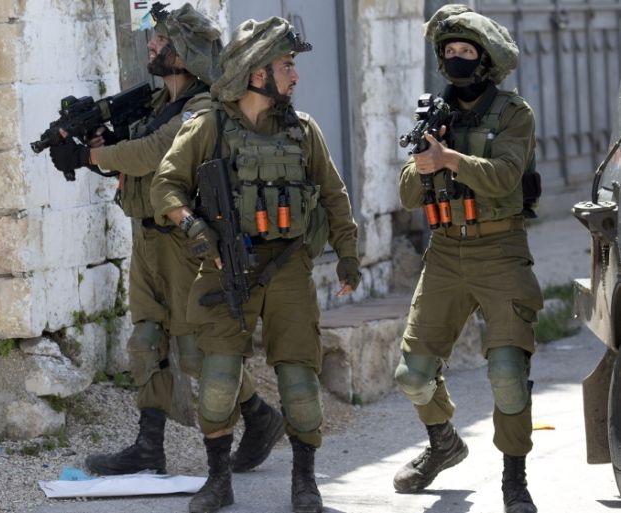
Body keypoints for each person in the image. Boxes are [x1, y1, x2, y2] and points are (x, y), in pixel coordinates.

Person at [48, 2, 283, 477]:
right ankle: (148, 446)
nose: (152, 46)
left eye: (163, 40)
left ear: (187, 52)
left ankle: (259, 416)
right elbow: (131, 158)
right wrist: (98, 145)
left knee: (197, 349)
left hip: (188, 242)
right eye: (154, 38)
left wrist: (91, 158)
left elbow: (152, 153)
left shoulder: (203, 108)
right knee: (146, 340)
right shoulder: (157, 105)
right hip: (148, 238)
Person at [151, 17, 361, 513]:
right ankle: (218, 480)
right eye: (287, 66)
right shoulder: (209, 127)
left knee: (300, 383)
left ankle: (305, 482)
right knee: (218, 381)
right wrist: (194, 228)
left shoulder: (302, 130)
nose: (295, 75)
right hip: (225, 264)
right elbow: (166, 186)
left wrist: (348, 256)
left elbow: (334, 196)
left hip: (288, 266)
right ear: (257, 73)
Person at [393, 5, 543, 513]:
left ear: (485, 59)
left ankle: (514, 479)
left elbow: (504, 177)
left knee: (507, 371)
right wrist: (423, 162)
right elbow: (408, 195)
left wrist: (450, 158)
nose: (457, 58)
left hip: (500, 249)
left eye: (466, 50)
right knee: (412, 374)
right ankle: (443, 443)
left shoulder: (514, 113)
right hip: (445, 251)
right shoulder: (434, 113)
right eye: (450, 50)